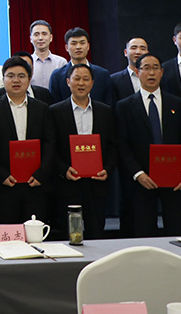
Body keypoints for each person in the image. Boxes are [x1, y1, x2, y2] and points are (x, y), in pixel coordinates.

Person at [115, 53, 181, 236]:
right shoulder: (124, 106)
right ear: (137, 72)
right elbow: (122, 144)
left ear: (162, 72)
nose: (151, 73)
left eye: (155, 68)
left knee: (177, 229)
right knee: (143, 232)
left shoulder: (178, 104)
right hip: (141, 181)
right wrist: (138, 174)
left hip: (174, 179)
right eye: (146, 68)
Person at [0, 57, 56, 224]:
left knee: (35, 233)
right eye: (10, 76)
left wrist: (41, 174)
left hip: (35, 183)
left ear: (29, 79)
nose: (16, 80)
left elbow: (50, 143)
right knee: (8, 233)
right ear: (3, 79)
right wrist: (1, 175)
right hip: (4, 184)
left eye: (21, 76)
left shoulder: (42, 108)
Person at [49, 64, 117, 239]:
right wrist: (64, 170)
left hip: (97, 184)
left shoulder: (105, 111)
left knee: (97, 234)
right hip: (68, 184)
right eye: (77, 79)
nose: (81, 83)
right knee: (70, 235)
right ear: (68, 82)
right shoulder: (55, 111)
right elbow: (50, 148)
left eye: (86, 79)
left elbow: (112, 145)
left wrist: (107, 169)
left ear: (92, 83)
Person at [47, 28, 113, 105]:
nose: (78, 47)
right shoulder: (57, 76)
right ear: (66, 47)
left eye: (82, 43)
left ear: (88, 46)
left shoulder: (102, 74)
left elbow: (108, 105)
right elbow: (55, 106)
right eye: (74, 43)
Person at [30, 20, 67, 89]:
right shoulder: (27, 62)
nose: (40, 38)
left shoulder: (61, 62)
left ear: (51, 37)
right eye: (36, 34)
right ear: (31, 39)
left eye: (44, 34)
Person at [111, 37, 149, 102]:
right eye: (133, 48)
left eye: (143, 49)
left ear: (147, 53)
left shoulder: (157, 77)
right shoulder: (114, 80)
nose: (138, 52)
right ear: (126, 52)